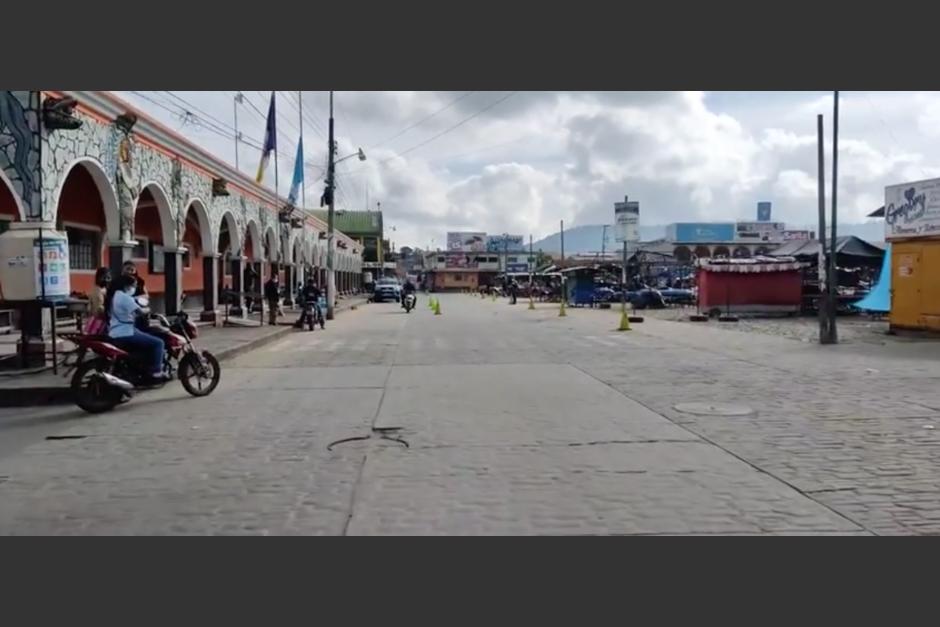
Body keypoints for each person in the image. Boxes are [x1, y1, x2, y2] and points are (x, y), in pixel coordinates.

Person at [108, 274, 168, 382]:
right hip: (126, 332)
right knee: (159, 343)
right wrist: (148, 310)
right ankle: (156, 372)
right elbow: (140, 312)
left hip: (115, 331)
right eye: (134, 286)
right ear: (127, 286)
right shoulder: (125, 298)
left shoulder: (116, 295)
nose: (134, 289)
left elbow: (130, 304)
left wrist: (136, 299)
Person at [84, 267, 111, 335]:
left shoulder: (104, 289)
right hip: (98, 321)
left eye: (108, 278)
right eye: (104, 277)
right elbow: (99, 308)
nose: (106, 280)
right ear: (98, 278)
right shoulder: (97, 291)